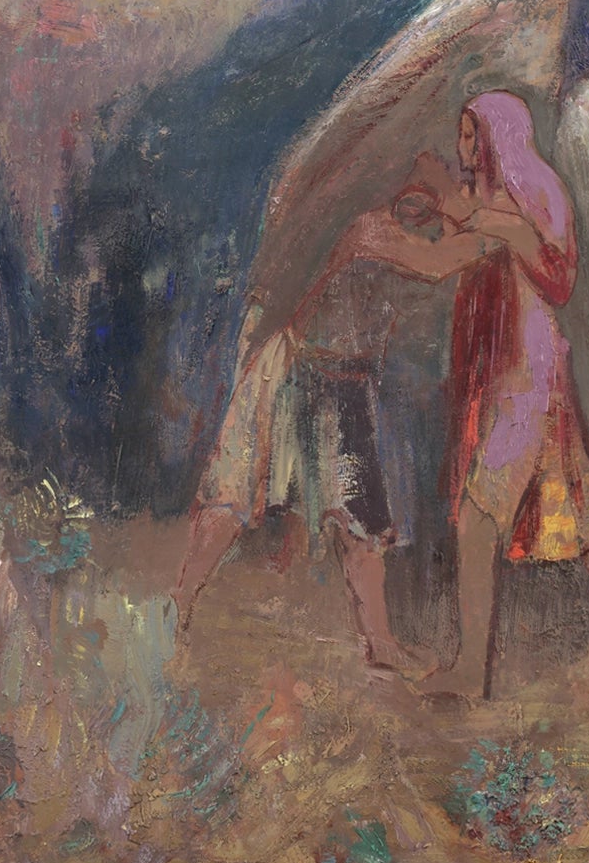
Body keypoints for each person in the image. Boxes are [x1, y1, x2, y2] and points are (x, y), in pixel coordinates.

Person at [342, 92, 589, 703]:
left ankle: (472, 671)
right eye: (462, 136)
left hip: (526, 378)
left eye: (474, 136)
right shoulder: (491, 203)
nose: (465, 148)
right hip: (510, 376)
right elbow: (458, 235)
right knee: (580, 511)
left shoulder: (517, 205)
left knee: (478, 515)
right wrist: (435, 205)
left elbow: (449, 260)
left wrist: (378, 239)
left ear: (501, 137)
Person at [169, 229, 427, 678]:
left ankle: (380, 640)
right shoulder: (361, 220)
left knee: (359, 514)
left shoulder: (375, 213)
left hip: (340, 371)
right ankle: (179, 600)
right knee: (236, 489)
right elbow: (433, 260)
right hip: (292, 362)